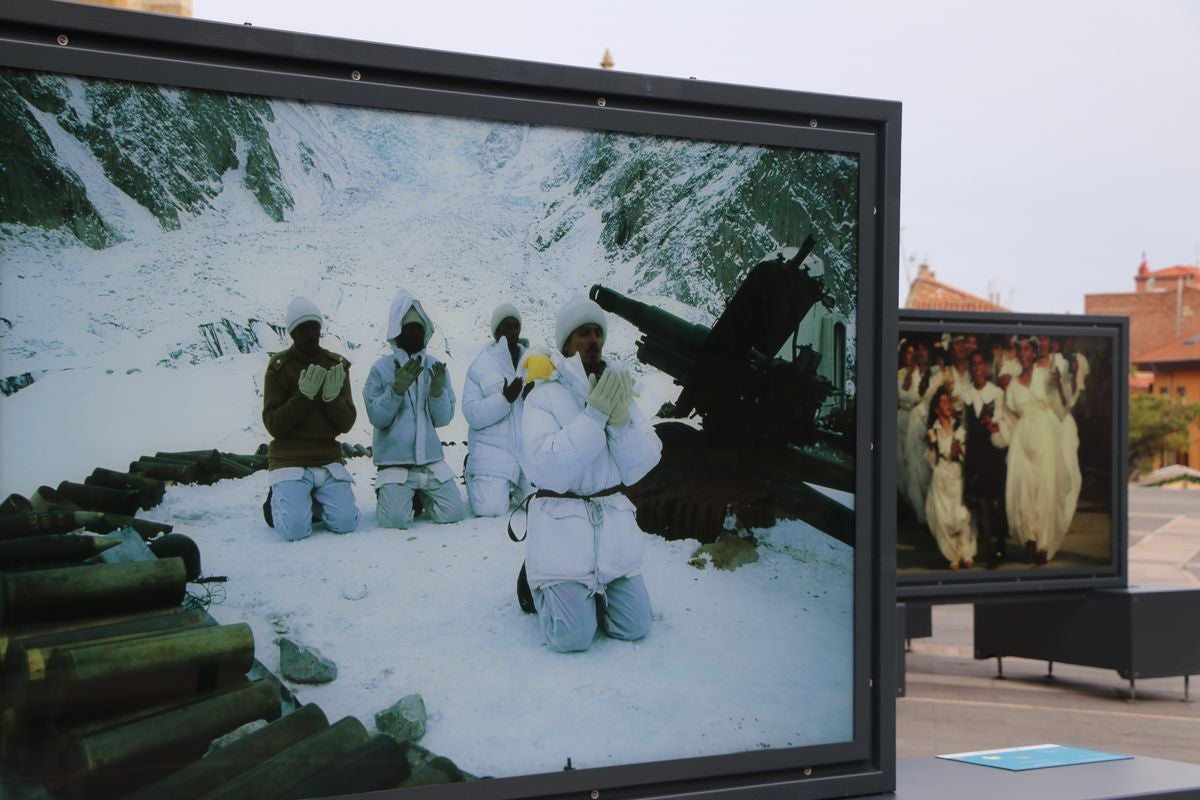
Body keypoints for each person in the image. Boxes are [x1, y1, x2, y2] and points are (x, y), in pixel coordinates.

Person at [519, 295, 662, 652]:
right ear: (567, 343)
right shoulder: (543, 396)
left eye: (598, 332)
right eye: (583, 333)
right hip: (562, 530)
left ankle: (590, 591)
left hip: (610, 531)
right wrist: (594, 417)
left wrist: (619, 422)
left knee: (636, 626)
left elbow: (641, 465)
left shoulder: (616, 389)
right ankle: (536, 578)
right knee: (572, 638)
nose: (593, 340)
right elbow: (547, 469)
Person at [362, 290, 466, 529]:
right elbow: (377, 417)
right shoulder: (381, 368)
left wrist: (437, 392)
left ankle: (417, 495)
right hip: (395, 463)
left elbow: (443, 420)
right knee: (395, 521)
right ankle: (395, 494)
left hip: (430, 461)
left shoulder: (435, 367)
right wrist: (395, 391)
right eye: (409, 328)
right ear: (397, 331)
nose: (414, 333)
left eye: (418, 328)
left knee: (454, 512)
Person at [261, 296, 359, 540]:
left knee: (347, 523)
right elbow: (274, 426)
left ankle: (309, 499)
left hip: (327, 458)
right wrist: (302, 397)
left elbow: (346, 424)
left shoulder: (335, 366)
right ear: (292, 333)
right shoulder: (279, 367)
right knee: (294, 530)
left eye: (314, 326)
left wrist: (331, 400)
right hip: (288, 460)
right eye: (303, 329)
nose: (310, 333)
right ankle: (280, 501)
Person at [1004, 336, 1071, 565]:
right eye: (1019, 350)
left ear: (1033, 353)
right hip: (1023, 438)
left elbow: (1061, 406)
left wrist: (1059, 384)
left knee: (1045, 489)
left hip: (1044, 435)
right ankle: (1029, 540)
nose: (1023, 354)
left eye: (1027, 350)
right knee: (1025, 490)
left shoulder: (1045, 376)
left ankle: (1043, 542)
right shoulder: (1012, 385)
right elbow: (1010, 414)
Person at [463, 303, 532, 516]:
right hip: (492, 453)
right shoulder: (480, 365)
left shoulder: (532, 362)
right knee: (490, 509)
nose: (512, 332)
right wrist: (505, 399)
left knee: (541, 506)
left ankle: (516, 485)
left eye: (515, 327)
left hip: (527, 454)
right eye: (506, 327)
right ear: (496, 331)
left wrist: (533, 396)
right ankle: (473, 471)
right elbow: (472, 414)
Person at [962, 351, 1011, 567]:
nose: (977, 368)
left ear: (987, 367)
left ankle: (1001, 544)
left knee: (996, 502)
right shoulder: (966, 394)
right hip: (975, 452)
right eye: (973, 364)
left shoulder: (997, 393)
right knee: (981, 503)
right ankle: (991, 552)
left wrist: (996, 424)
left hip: (992, 452)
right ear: (971, 368)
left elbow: (1001, 418)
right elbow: (965, 425)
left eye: (981, 363)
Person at [923, 386, 975, 569]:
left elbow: (967, 454)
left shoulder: (959, 428)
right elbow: (931, 462)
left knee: (962, 515)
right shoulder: (933, 431)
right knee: (945, 518)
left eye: (948, 402)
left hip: (957, 473)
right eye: (943, 402)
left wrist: (959, 452)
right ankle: (952, 555)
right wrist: (931, 448)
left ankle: (966, 553)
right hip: (942, 475)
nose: (947, 405)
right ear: (937, 409)